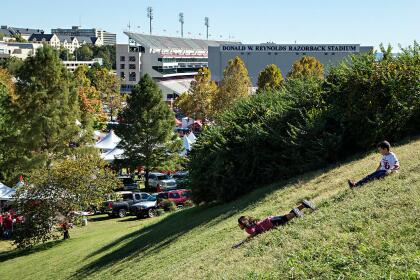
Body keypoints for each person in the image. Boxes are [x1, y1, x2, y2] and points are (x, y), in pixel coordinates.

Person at [232, 200, 316, 248]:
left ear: (243, 224)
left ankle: (295, 213)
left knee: (285, 218)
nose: (239, 226)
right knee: (285, 217)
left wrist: (240, 243)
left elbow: (253, 234)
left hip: (270, 223)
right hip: (270, 219)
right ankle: (303, 205)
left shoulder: (248, 229)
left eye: (239, 224)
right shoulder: (252, 224)